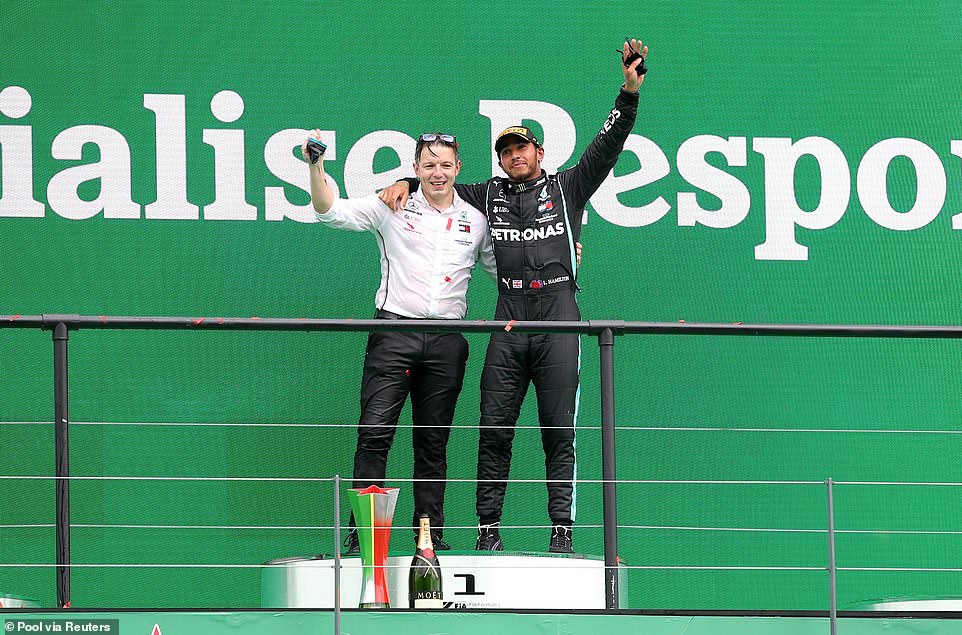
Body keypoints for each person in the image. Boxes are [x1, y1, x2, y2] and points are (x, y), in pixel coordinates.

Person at [378, 39, 648, 553]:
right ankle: (488, 532)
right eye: (506, 151)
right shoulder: (485, 194)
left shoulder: (569, 187)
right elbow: (438, 184)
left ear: (539, 153)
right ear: (499, 160)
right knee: (494, 427)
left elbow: (608, 145)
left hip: (559, 316)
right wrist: (404, 181)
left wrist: (628, 93)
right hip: (507, 317)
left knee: (558, 431)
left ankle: (562, 533)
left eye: (522, 148)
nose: (514, 155)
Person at [303, 130, 497, 553]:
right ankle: (365, 536)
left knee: (433, 444)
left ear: (458, 168)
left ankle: (430, 541)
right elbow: (330, 211)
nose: (437, 173)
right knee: (374, 434)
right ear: (415, 168)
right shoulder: (393, 203)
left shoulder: (476, 219)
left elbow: (503, 269)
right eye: (428, 165)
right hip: (393, 334)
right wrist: (316, 167)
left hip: (447, 340)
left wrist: (560, 257)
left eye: (445, 165)